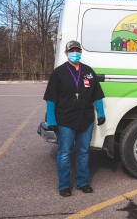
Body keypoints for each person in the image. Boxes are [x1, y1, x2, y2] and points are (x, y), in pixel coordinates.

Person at [43, 40, 106, 197]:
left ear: (81, 52)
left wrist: (101, 113)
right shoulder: (58, 73)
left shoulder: (88, 72)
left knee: (83, 152)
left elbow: (97, 95)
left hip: (86, 119)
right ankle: (64, 185)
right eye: (72, 50)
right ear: (66, 53)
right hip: (65, 120)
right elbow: (51, 99)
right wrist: (51, 120)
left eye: (77, 50)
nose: (75, 53)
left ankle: (82, 182)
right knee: (64, 153)